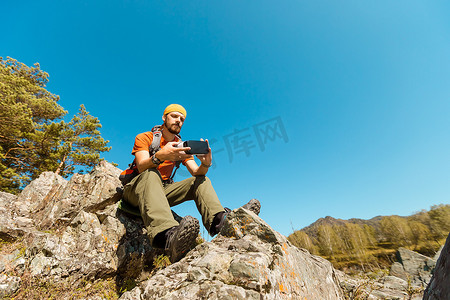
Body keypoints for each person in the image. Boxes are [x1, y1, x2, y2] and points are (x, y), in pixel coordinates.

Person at [122, 104, 229, 263]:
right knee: (151, 173)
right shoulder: (145, 137)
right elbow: (141, 165)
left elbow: (196, 173)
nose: (179, 121)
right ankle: (168, 236)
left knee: (201, 180)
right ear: (164, 118)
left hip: (161, 191)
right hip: (136, 189)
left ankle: (221, 222)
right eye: (174, 116)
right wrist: (160, 156)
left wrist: (205, 164)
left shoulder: (182, 147)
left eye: (182, 119)